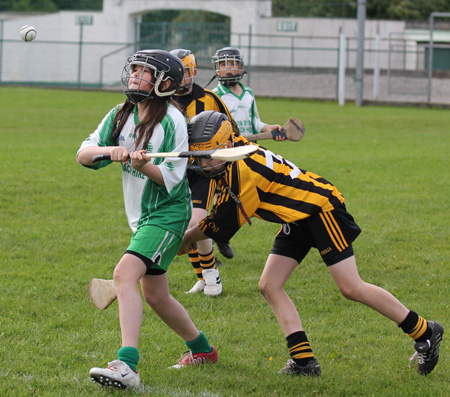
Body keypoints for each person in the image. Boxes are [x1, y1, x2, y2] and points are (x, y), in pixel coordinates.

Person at [178, 110, 444, 377]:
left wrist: (187, 238)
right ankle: (304, 361)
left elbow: (221, 225)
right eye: (199, 155)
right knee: (270, 286)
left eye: (207, 156)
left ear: (226, 145)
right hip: (296, 216)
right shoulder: (234, 153)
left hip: (320, 209)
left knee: (351, 287)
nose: (203, 163)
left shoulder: (243, 171)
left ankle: (425, 332)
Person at [76, 50, 217, 390]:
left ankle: (127, 365)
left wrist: (143, 165)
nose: (135, 76)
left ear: (165, 83)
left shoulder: (172, 121)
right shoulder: (120, 114)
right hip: (142, 216)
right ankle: (202, 350)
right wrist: (112, 152)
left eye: (144, 72)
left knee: (124, 274)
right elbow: (83, 154)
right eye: (134, 69)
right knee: (155, 296)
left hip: (168, 213)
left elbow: (170, 179)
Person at [170, 48, 236, 295]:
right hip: (175, 170)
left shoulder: (209, 98)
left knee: (196, 220)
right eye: (175, 74)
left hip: (203, 170)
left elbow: (231, 129)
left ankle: (211, 276)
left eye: (185, 73)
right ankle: (202, 277)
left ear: (194, 72)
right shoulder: (162, 102)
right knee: (182, 223)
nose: (179, 79)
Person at [211, 47, 283, 139]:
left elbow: (253, 121)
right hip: (229, 149)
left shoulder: (248, 93)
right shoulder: (214, 96)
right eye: (223, 64)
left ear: (241, 68)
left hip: (249, 146)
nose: (228, 67)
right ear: (217, 70)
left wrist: (267, 128)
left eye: (233, 63)